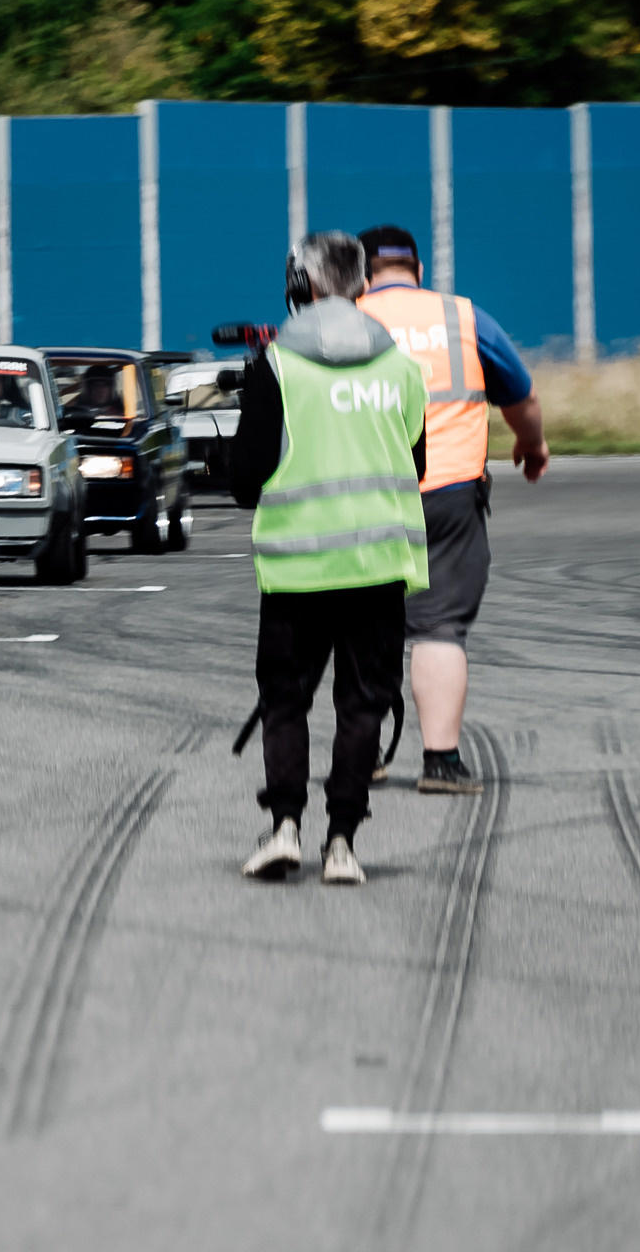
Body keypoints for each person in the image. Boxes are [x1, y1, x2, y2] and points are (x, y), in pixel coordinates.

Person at [229, 232, 428, 886]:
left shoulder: (277, 366)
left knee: (286, 703)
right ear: (361, 286)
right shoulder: (398, 366)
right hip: (377, 566)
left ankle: (285, 826)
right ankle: (342, 843)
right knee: (362, 705)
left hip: (297, 569)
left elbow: (247, 478)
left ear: (303, 287)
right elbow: (416, 461)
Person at [351, 225, 548, 795]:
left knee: (365, 623)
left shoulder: (345, 322)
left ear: (363, 272)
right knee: (439, 627)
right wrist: (532, 448)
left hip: (363, 494)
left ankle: (360, 755)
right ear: (418, 269)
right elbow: (523, 397)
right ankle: (440, 763)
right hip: (449, 491)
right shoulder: (463, 319)